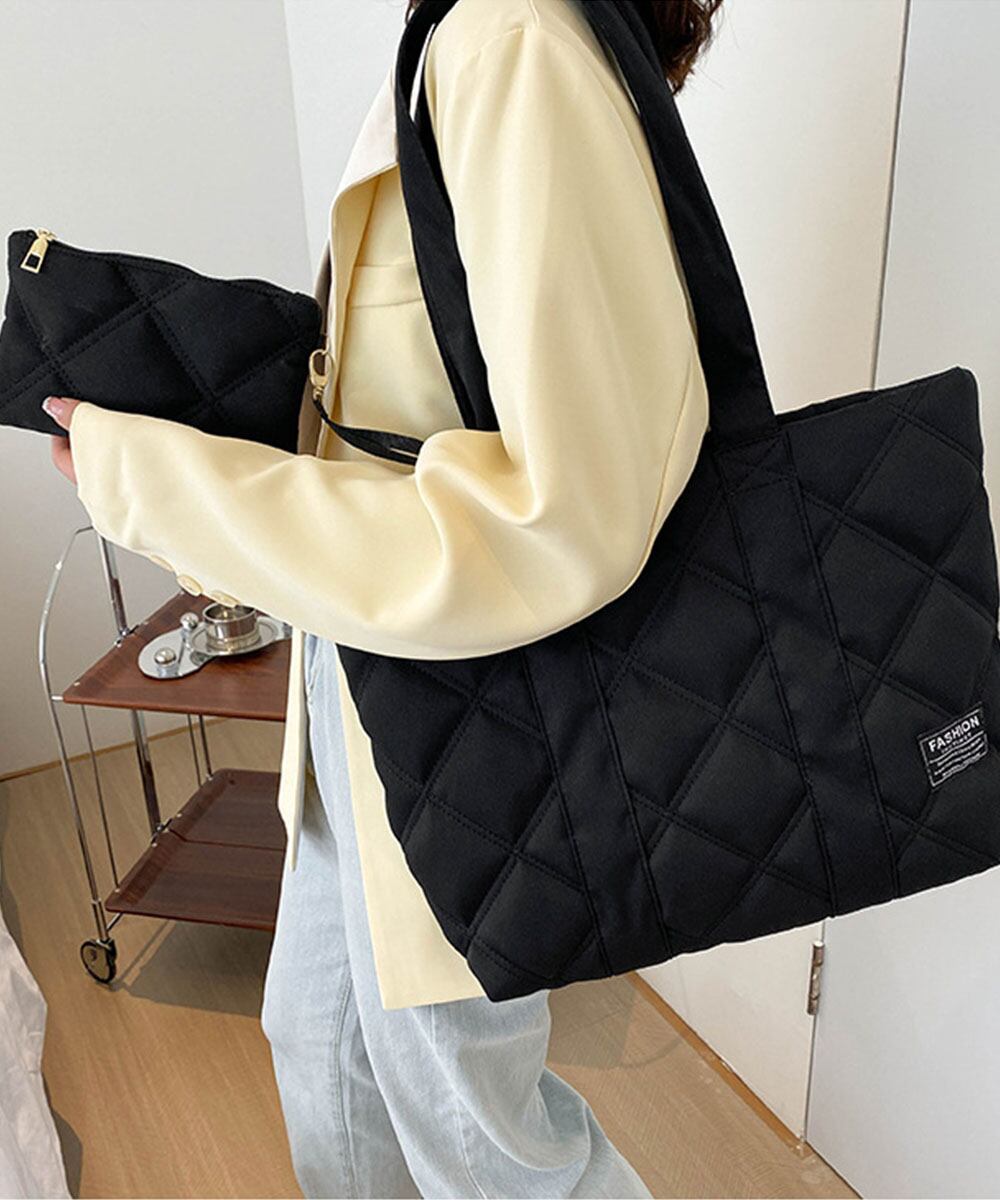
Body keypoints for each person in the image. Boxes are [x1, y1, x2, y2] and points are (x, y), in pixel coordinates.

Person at [45, 0, 720, 1193]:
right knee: (328, 1052)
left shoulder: (511, 38)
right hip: (372, 662)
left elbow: (565, 512)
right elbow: (427, 405)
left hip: (461, 686)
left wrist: (161, 483)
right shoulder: (462, 29)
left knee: (474, 1127)